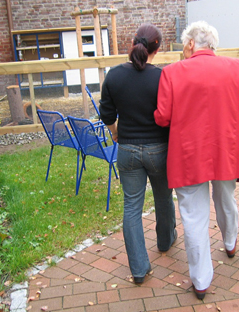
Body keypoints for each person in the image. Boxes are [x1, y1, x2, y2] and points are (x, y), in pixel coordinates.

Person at [154, 21, 239, 300]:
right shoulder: (236, 67)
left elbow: (163, 117)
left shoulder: (171, 72)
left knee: (193, 216)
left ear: (191, 44)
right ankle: (230, 242)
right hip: (226, 151)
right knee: (226, 198)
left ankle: (201, 281)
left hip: (188, 155)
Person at [99, 23, 177, 284]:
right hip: (159, 151)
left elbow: (107, 114)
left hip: (128, 151)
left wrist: (116, 132)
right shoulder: (162, 77)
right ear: (158, 48)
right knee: (164, 198)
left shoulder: (113, 76)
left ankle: (139, 269)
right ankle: (165, 242)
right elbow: (171, 114)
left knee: (131, 207)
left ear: (132, 43)